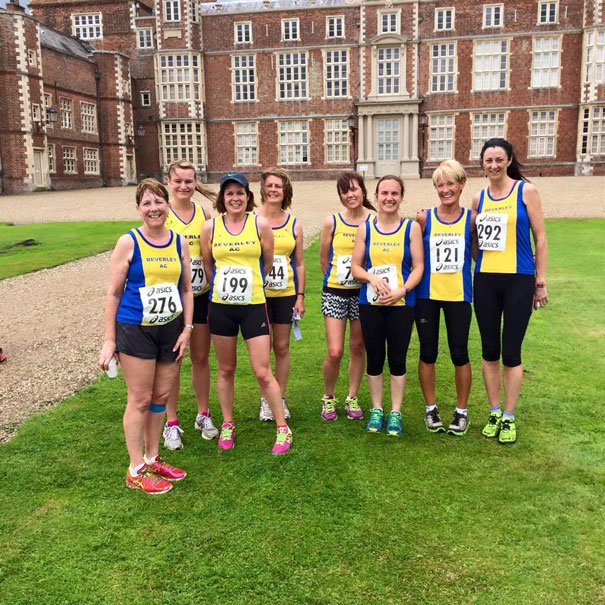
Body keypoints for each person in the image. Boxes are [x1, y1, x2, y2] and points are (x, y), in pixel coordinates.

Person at [99, 178, 193, 494]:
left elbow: (186, 289)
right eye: (146, 203)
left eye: (158, 201)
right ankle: (136, 467)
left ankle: (153, 457)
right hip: (135, 328)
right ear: (139, 208)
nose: (153, 208)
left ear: (167, 205)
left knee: (161, 398)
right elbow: (113, 293)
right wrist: (109, 341)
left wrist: (188, 329)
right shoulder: (129, 242)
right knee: (139, 399)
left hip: (171, 328)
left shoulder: (179, 241)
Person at [200, 172, 292, 455]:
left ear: (248, 197)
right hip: (221, 307)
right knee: (226, 369)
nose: (235, 198)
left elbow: (267, 262)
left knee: (262, 370)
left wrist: (250, 283)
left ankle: (282, 428)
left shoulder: (260, 224)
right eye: (229, 193)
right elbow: (208, 266)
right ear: (222, 198)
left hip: (253, 305)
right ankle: (228, 423)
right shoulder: (210, 228)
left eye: (240, 193)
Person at [472, 138, 548, 444]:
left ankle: (509, 416)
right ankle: (493, 410)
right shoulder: (478, 199)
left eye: (498, 159)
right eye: (488, 160)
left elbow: (540, 238)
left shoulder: (525, 191)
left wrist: (539, 281)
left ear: (509, 159)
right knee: (489, 350)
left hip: (519, 279)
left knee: (511, 353)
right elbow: (475, 241)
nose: (493, 165)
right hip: (486, 280)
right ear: (483, 164)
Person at [351, 175, 424, 436]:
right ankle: (377, 408)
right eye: (384, 193)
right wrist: (371, 277)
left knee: (397, 357)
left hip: (402, 303)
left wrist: (401, 290)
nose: (389, 198)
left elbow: (418, 267)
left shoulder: (411, 228)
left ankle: (395, 411)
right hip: (370, 303)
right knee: (374, 357)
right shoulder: (366, 228)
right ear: (377, 196)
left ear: (401, 196)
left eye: (394, 193)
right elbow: (355, 266)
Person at [162, 160, 219, 450]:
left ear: (196, 182)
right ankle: (171, 422)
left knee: (200, 357)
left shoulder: (204, 214)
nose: (184, 186)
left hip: (200, 295)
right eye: (179, 181)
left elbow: (209, 255)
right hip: (172, 299)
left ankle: (203, 413)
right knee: (173, 360)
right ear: (168, 181)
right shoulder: (161, 213)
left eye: (189, 181)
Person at [415, 160, 474, 436]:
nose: (445, 189)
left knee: (459, 354)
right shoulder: (424, 218)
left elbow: (480, 254)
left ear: (461, 184)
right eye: (440, 184)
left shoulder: (471, 219)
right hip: (427, 295)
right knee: (428, 353)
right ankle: (431, 408)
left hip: (459, 296)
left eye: (450, 183)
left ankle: (461, 412)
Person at [319, 172, 375, 421]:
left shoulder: (373, 221)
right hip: (336, 291)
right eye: (345, 191)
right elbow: (323, 259)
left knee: (358, 347)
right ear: (340, 196)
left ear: (363, 191)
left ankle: (352, 396)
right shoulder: (332, 222)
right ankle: (328, 398)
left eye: (354, 189)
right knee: (335, 351)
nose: (350, 195)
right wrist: (337, 281)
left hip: (363, 292)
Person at [255, 168, 305, 422]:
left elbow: (299, 263)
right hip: (257, 295)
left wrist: (300, 295)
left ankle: (280, 397)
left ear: (285, 191)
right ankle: (266, 400)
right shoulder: (250, 219)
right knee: (262, 353)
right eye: (270, 185)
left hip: (285, 293)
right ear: (263, 188)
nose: (274, 190)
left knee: (282, 347)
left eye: (279, 186)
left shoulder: (293, 222)